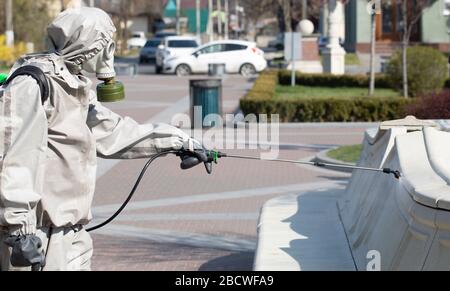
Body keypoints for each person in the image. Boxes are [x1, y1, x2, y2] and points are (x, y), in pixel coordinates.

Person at [0, 7, 203, 271]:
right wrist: (18, 229)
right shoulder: (33, 83)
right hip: (35, 236)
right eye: (107, 45)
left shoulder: (74, 84)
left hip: (71, 230)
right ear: (90, 47)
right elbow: (16, 157)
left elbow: (112, 132)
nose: (110, 54)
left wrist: (177, 141)